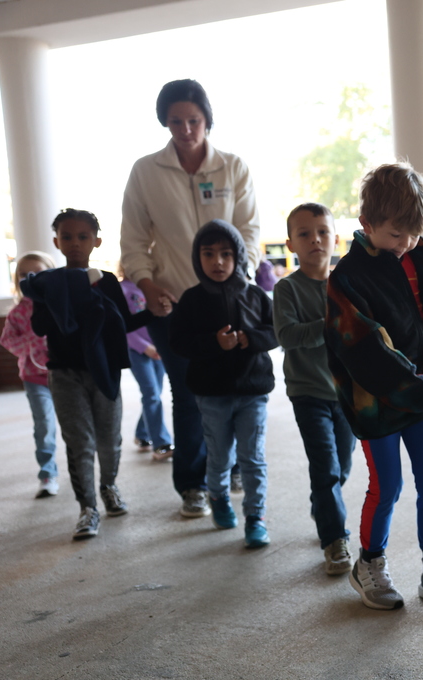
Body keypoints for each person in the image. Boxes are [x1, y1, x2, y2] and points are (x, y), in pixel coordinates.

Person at [325, 163, 423, 610]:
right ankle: (368, 562)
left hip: (422, 394)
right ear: (366, 224)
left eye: (414, 234)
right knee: (386, 484)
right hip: (377, 402)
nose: (406, 244)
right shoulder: (346, 279)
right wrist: (412, 387)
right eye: (396, 235)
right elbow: (362, 348)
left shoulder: (416, 253)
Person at [120, 78, 261, 519]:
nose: (185, 129)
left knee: (237, 387)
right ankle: (192, 484)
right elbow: (133, 238)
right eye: (176, 121)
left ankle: (235, 467)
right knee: (188, 393)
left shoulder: (232, 167)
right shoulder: (145, 171)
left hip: (230, 299)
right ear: (165, 121)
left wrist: (243, 280)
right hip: (175, 303)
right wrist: (146, 284)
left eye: (194, 120)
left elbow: (251, 230)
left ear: (207, 120)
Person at [22, 209, 157, 540]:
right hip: (64, 373)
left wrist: (154, 311)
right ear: (56, 241)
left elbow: (123, 323)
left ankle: (109, 487)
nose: (75, 243)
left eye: (83, 236)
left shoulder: (106, 281)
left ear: (96, 241)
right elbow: (38, 325)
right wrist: (70, 299)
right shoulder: (48, 283)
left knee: (109, 439)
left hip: (105, 371)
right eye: (67, 237)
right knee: (79, 442)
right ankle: (88, 508)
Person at [169, 220, 276, 549]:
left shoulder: (256, 295)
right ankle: (218, 498)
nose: (218, 261)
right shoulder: (190, 300)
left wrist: (250, 339)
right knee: (219, 457)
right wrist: (215, 343)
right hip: (211, 395)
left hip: (252, 392)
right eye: (209, 254)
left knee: (252, 457)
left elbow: (275, 332)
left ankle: (255, 517)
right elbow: (180, 343)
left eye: (226, 254)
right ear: (197, 257)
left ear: (239, 257)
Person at [273, 203, 356, 575]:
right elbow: (288, 337)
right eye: (304, 233)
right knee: (324, 467)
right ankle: (334, 540)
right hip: (307, 393)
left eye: (322, 231)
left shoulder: (347, 283)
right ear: (291, 244)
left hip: (348, 392)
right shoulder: (286, 289)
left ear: (335, 239)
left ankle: (323, 502)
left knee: (341, 467)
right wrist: (328, 324)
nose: (315, 239)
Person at [0, 251, 60, 498]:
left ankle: (82, 471)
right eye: (24, 274)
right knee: (44, 425)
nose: (31, 278)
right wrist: (32, 340)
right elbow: (7, 340)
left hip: (64, 374)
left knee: (75, 427)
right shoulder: (17, 313)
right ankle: (48, 474)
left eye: (38, 273)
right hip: (34, 378)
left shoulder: (59, 305)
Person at [117, 264, 173, 460]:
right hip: (137, 352)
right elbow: (123, 326)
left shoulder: (157, 287)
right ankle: (161, 443)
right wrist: (145, 348)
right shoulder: (122, 289)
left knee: (154, 394)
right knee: (151, 394)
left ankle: (142, 434)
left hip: (159, 349)